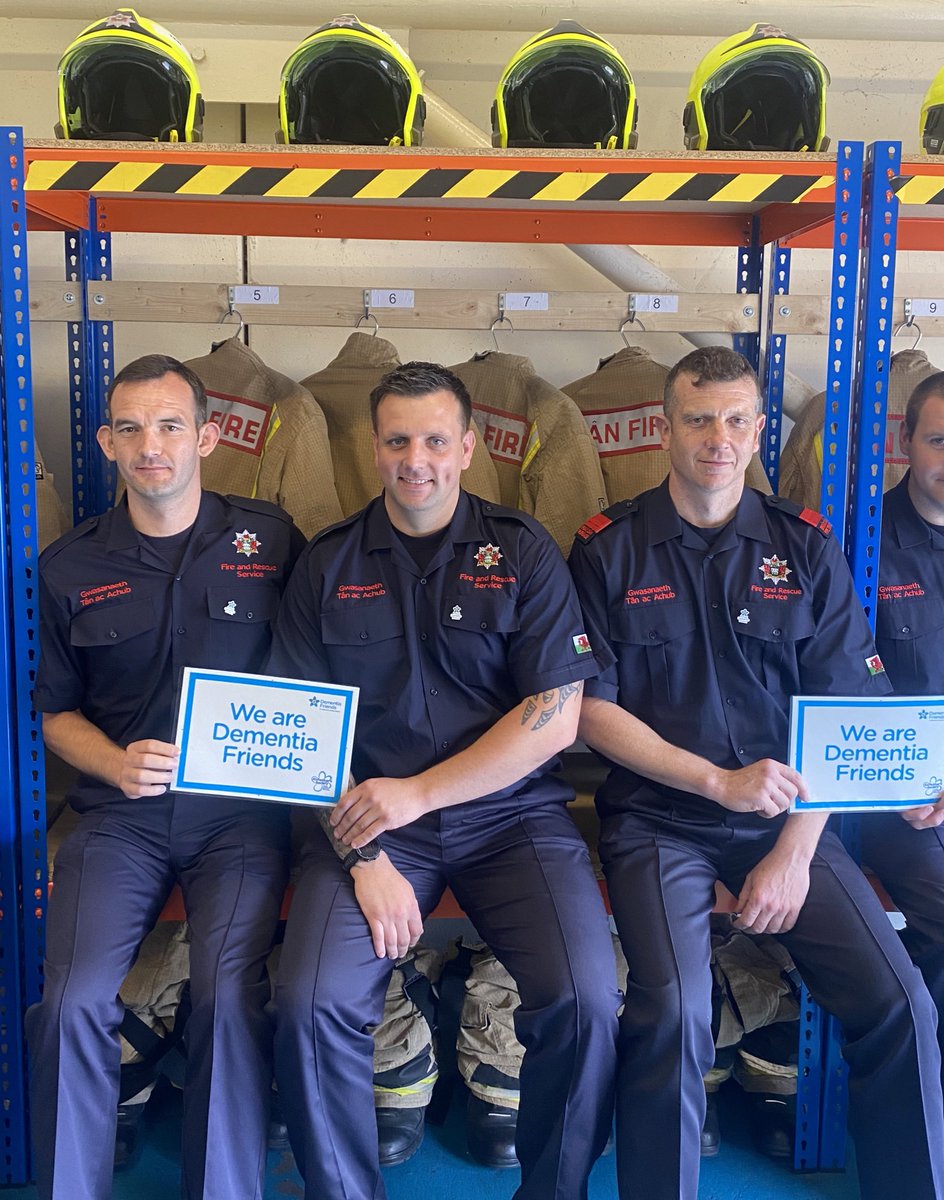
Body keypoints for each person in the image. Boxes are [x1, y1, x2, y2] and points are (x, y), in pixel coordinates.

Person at [568, 345, 944, 1200]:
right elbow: (589, 710)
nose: (719, 438)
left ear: (759, 429)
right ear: (664, 430)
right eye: (699, 418)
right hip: (660, 825)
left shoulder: (804, 548)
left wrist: (794, 853)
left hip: (790, 827)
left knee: (901, 1004)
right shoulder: (606, 548)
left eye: (738, 419)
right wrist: (715, 782)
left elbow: (844, 710)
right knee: (674, 1013)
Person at [266, 360, 620, 1200]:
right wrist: (363, 858)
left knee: (586, 997)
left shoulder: (523, 550)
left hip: (512, 823)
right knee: (310, 1003)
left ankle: (555, 1189)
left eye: (434, 439)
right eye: (397, 440)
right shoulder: (325, 564)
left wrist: (420, 795)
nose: (415, 459)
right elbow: (293, 735)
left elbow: (555, 713)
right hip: (366, 828)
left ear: (467, 448)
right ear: (373, 448)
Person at [28, 353, 304, 1200]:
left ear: (208, 437)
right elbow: (50, 711)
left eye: (171, 424)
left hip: (243, 820)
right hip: (122, 820)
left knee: (228, 997)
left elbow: (318, 680)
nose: (153, 444)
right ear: (108, 443)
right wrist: (113, 762)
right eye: (132, 428)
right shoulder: (67, 566)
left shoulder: (272, 540)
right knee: (71, 1002)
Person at [869, 372, 944, 1053]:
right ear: (906, 443)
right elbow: (841, 691)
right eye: (939, 441)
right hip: (894, 802)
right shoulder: (863, 545)